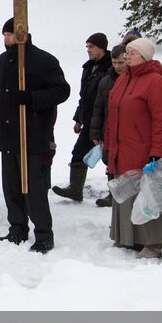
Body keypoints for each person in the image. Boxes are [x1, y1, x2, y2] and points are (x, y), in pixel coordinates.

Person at [0, 18, 71, 253]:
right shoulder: (0, 63)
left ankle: (44, 233)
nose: (5, 39)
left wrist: (32, 98)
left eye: (9, 34)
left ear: (22, 34)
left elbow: (62, 91)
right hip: (7, 134)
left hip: (32, 135)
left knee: (33, 187)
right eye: (4, 35)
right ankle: (18, 228)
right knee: (11, 186)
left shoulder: (43, 60)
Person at [105, 38, 162, 260]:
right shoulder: (123, 79)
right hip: (121, 146)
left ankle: (153, 242)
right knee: (126, 192)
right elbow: (112, 115)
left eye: (133, 52)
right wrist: (108, 145)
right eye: (127, 52)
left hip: (143, 149)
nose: (128, 56)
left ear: (145, 56)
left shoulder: (155, 81)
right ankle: (129, 236)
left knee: (147, 194)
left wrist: (158, 151)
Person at [54, 32, 111, 202]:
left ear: (102, 48)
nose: (88, 50)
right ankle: (75, 189)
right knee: (78, 152)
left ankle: (115, 194)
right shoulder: (88, 68)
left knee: (111, 158)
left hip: (105, 120)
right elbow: (84, 96)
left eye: (91, 46)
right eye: (87, 46)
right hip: (89, 120)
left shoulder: (111, 67)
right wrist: (78, 118)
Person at [90, 45, 127, 208]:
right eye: (115, 63)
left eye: (121, 62)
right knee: (110, 162)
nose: (118, 66)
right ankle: (112, 193)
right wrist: (95, 132)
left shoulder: (131, 80)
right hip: (109, 129)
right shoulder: (106, 80)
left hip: (126, 131)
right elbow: (98, 108)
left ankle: (124, 195)